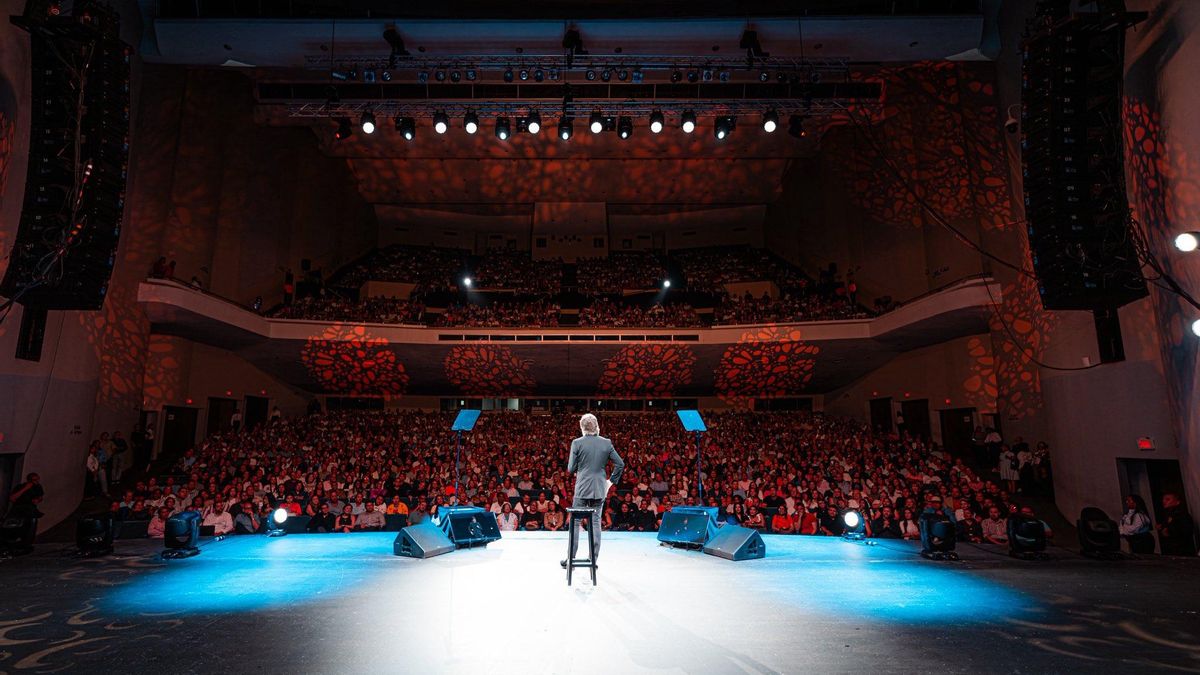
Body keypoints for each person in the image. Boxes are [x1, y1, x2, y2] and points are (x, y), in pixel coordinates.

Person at [562, 413, 625, 569]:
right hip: (599, 487)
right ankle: (593, 559)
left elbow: (570, 469)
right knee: (596, 522)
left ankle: (571, 559)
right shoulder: (606, 443)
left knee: (576, 522)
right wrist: (611, 481)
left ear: (582, 427)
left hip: (582, 487)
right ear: (596, 426)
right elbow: (620, 464)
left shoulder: (577, 443)